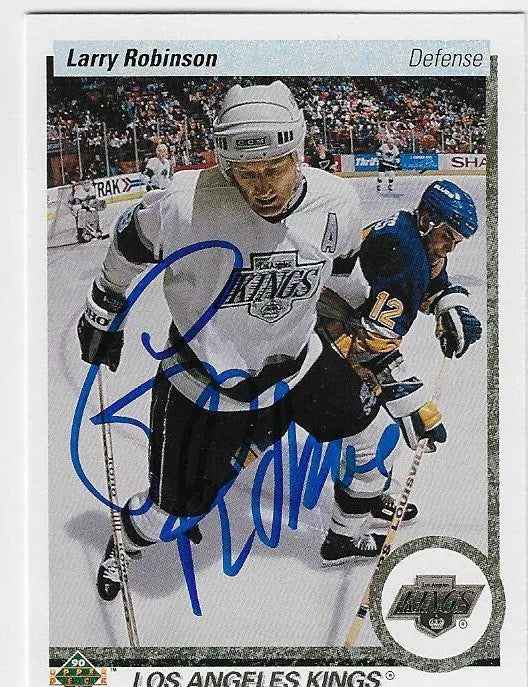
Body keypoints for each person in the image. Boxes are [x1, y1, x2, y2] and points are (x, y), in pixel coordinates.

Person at [77, 80, 418, 602]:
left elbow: (342, 273)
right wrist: (104, 309)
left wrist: (371, 326)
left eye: (274, 169)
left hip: (297, 363)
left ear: (298, 153)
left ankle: (345, 533)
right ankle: (126, 540)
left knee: (369, 434)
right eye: (246, 173)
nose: (262, 188)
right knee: (171, 514)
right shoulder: (185, 204)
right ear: (224, 165)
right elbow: (127, 242)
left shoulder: (337, 201)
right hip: (204, 383)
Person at [317, 180, 482, 555]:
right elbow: (372, 347)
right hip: (326, 339)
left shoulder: (414, 234)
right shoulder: (406, 254)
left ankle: (370, 500)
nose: (450, 246)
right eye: (447, 236)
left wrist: (448, 307)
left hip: (337, 325)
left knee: (380, 435)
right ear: (427, 219)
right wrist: (413, 406)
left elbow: (432, 279)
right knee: (373, 442)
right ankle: (342, 539)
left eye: (457, 241)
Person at [69, 178, 103, 243]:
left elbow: (93, 199)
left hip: (86, 206)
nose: (86, 184)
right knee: (81, 214)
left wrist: (91, 204)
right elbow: (75, 203)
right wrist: (83, 205)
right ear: (82, 183)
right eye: (84, 183)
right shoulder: (78, 190)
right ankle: (81, 234)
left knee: (94, 212)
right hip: (77, 207)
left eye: (88, 182)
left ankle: (96, 230)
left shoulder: (91, 189)